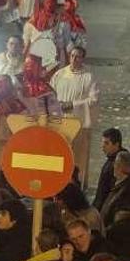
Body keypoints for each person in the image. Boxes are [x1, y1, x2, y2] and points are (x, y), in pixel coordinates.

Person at [50, 46, 99, 185]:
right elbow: (50, 94)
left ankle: (78, 185)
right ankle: (57, 183)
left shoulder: (89, 76)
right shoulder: (59, 74)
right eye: (72, 56)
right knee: (60, 155)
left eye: (78, 57)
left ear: (83, 58)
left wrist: (72, 104)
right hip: (60, 123)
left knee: (78, 157)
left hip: (79, 124)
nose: (74, 59)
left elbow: (93, 99)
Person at [100, 151, 130, 227]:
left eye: (116, 163)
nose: (114, 166)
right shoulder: (117, 183)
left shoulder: (129, 190)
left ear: (122, 167)